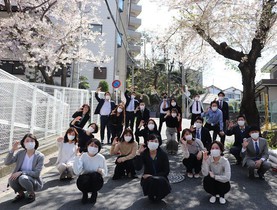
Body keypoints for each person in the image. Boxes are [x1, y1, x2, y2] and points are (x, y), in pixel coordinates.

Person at [4, 133, 45, 203]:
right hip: (22, 179)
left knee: (22, 178)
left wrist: (21, 172)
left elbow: (36, 174)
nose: (30, 142)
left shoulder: (40, 156)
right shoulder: (20, 153)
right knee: (11, 179)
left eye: (32, 141)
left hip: (33, 180)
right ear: (23, 143)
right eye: (27, 141)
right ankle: (21, 194)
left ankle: (31, 193)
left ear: (35, 143)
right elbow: (7, 162)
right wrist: (12, 150)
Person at [134, 134, 171, 202]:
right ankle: (151, 193)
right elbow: (138, 168)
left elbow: (166, 171)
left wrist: (152, 176)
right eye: (151, 141)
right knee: (151, 181)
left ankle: (160, 193)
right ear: (147, 142)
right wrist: (138, 153)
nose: (153, 143)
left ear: (159, 143)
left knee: (158, 180)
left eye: (156, 141)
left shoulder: (163, 154)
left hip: (161, 178)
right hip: (148, 180)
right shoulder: (144, 153)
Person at [73, 139, 108, 204]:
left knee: (95, 175)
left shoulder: (101, 158)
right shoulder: (83, 156)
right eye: (91, 145)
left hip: (96, 181)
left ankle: (94, 193)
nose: (93, 148)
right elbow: (77, 171)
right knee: (84, 177)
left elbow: (105, 173)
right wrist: (77, 157)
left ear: (98, 148)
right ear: (87, 146)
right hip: (85, 180)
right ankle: (85, 193)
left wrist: (101, 171)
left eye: (95, 146)